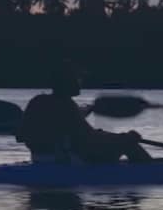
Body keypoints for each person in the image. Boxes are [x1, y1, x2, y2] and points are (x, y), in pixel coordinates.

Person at [16, 63, 151, 163]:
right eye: (77, 79)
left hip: (40, 158)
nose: (80, 83)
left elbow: (20, 136)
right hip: (68, 159)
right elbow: (90, 138)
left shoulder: (37, 101)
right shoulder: (66, 105)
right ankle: (149, 173)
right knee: (129, 144)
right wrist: (125, 138)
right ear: (66, 82)